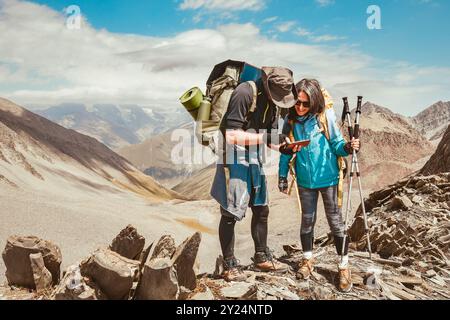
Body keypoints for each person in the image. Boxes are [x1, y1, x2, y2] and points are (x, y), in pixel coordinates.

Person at [211, 67, 298, 282]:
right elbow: (231, 135)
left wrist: (282, 148)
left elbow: (266, 136)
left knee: (261, 208)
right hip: (233, 155)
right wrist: (266, 137)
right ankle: (229, 264)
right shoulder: (244, 93)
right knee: (230, 213)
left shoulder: (272, 103)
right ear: (268, 86)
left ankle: (261, 256)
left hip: (254, 154)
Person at [278, 79, 360, 293]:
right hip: (305, 180)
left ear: (314, 102)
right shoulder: (290, 121)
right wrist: (282, 176)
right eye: (297, 103)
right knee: (307, 221)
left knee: (335, 222)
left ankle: (343, 267)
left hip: (329, 178)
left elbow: (336, 144)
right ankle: (307, 261)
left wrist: (348, 147)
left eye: (306, 104)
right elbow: (286, 150)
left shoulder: (325, 116)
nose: (301, 108)